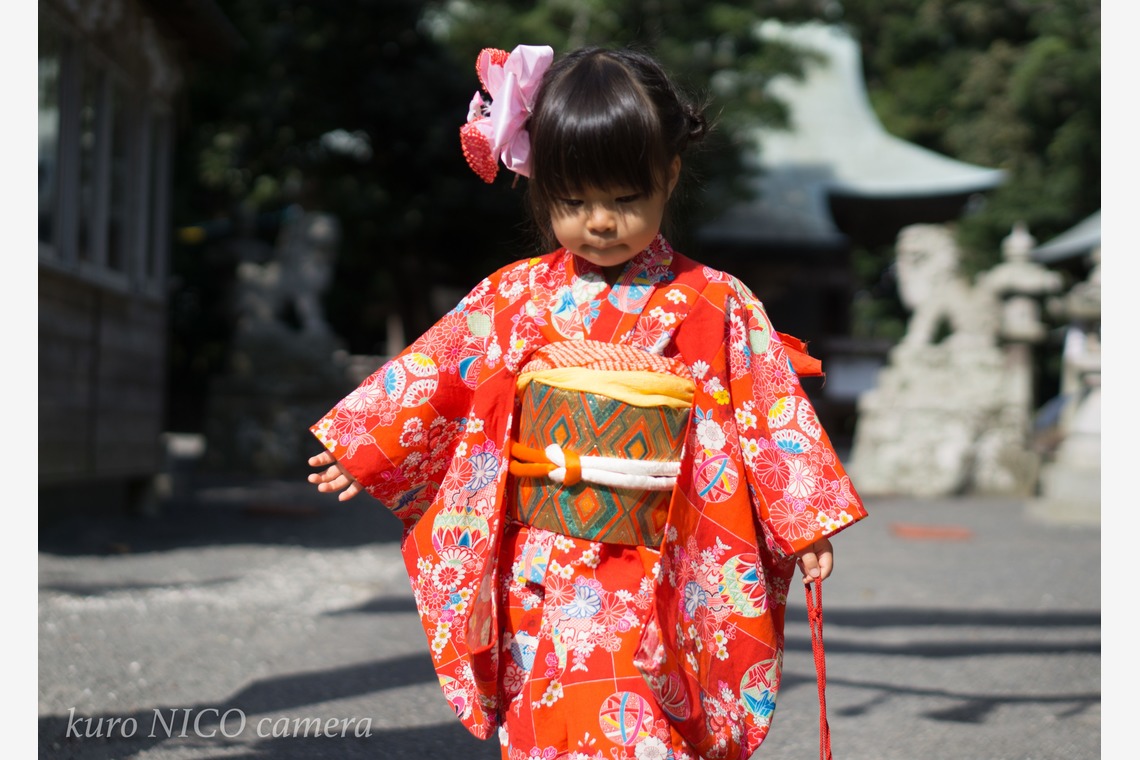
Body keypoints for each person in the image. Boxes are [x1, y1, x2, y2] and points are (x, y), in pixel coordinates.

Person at [307, 43, 867, 760]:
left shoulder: (716, 301)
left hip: (666, 559)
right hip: (544, 558)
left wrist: (803, 521)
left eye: (624, 199)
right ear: (541, 187)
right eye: (573, 203)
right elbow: (441, 371)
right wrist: (367, 444)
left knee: (655, 715)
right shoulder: (515, 293)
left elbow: (768, 406)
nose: (599, 222)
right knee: (548, 717)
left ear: (668, 175)